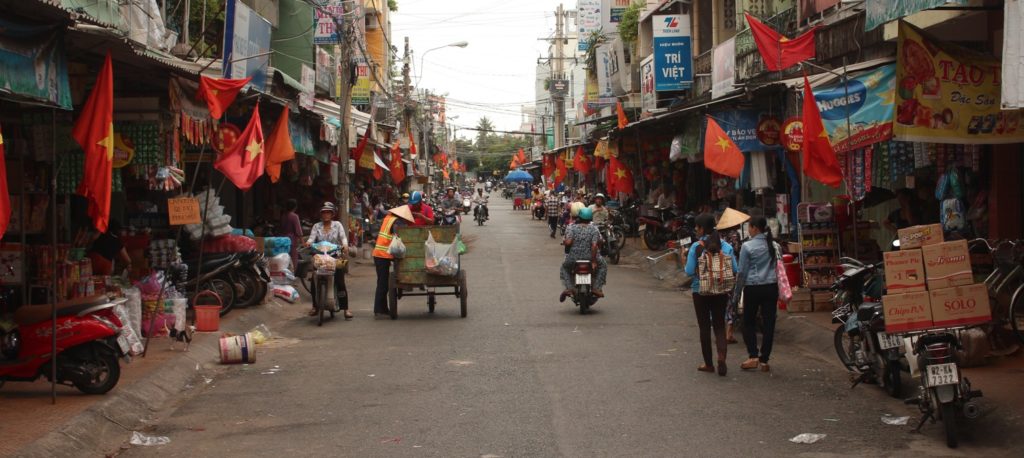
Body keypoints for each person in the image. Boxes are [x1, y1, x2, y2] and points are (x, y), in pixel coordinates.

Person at [684, 214, 737, 376]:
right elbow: (734, 269)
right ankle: (721, 357)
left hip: (700, 291)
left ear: (701, 228)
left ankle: (709, 364)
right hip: (720, 290)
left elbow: (688, 271)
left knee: (704, 327)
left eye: (697, 227)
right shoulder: (726, 246)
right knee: (720, 326)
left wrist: (683, 258)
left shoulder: (695, 247)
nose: (695, 229)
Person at [736, 216, 781, 372]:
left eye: (749, 227)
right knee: (769, 324)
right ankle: (764, 360)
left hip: (753, 288)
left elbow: (742, 272)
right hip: (771, 287)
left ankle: (753, 355)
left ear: (755, 227)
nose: (748, 230)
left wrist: (736, 294)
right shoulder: (774, 245)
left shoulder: (747, 246)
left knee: (748, 322)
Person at [305, 202, 351, 319]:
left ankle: (346, 309)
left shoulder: (338, 225)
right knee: (314, 279)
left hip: (335, 255)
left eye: (328, 213)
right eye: (324, 213)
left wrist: (345, 245)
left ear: (332, 214)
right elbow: (311, 238)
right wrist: (309, 243)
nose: (326, 215)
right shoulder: (316, 226)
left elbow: (343, 237)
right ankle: (315, 307)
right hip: (319, 257)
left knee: (340, 281)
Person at [372, 206, 416, 318]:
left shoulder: (388, 217)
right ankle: (378, 309)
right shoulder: (396, 221)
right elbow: (402, 233)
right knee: (383, 283)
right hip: (383, 254)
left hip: (379, 254)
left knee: (382, 282)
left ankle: (383, 309)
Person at [715, 207, 751, 344]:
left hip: (718, 270)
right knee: (731, 301)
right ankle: (728, 333)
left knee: (720, 301)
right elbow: (738, 251)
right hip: (731, 270)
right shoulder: (735, 235)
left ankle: (720, 331)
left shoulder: (717, 235)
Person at [559, 207, 607, 300]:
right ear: (590, 218)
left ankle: (569, 288)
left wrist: (564, 242)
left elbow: (568, 242)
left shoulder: (571, 227)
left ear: (579, 217)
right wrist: (593, 261)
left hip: (574, 257)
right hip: (590, 256)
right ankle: (596, 288)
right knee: (603, 266)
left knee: (564, 268)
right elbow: (594, 246)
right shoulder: (594, 229)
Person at [280, 199, 304, 268]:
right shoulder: (294, 216)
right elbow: (298, 231)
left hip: (283, 240)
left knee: (285, 259)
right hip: (292, 241)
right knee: (294, 260)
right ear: (295, 207)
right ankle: (292, 274)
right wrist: (303, 243)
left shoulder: (283, 215)